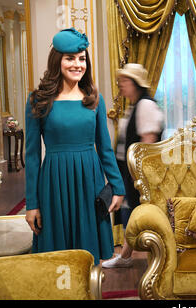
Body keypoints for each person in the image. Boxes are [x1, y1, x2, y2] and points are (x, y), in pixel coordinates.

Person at [25, 28, 125, 265]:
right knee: (57, 257)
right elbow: (31, 155)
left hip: (89, 182)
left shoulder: (93, 99)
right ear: (57, 61)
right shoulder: (38, 100)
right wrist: (32, 204)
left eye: (82, 59)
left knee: (90, 255)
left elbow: (105, 148)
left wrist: (117, 187)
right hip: (53, 183)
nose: (78, 64)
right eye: (70, 58)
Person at [102, 63, 164, 268]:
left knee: (137, 213)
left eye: (125, 81)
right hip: (128, 171)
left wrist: (137, 176)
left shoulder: (145, 105)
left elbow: (147, 144)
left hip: (137, 173)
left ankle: (146, 257)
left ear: (136, 83)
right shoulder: (135, 105)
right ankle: (126, 256)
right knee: (131, 212)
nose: (120, 85)